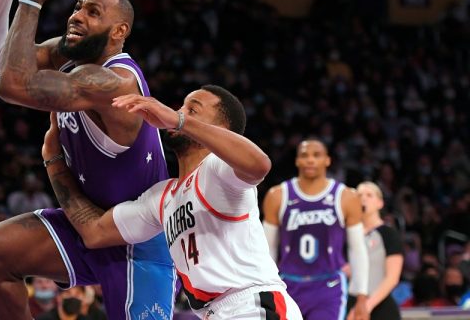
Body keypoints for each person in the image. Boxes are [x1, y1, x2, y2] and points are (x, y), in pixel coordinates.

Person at [0, 0, 175, 319]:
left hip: (139, 242)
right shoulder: (67, 55)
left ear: (119, 32)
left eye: (93, 12)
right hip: (86, 224)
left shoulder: (115, 82)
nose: (77, 15)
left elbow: (13, 85)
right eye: (78, 6)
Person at [41, 86, 303, 319]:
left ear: (220, 130)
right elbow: (94, 232)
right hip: (214, 312)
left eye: (193, 109)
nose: (180, 111)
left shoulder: (218, 170)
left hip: (254, 304)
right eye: (181, 107)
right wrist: (54, 163)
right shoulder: (162, 197)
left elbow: (260, 165)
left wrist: (179, 120)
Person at [262, 139, 370, 320]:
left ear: (327, 160)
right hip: (287, 284)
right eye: (304, 155)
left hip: (328, 286)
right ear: (297, 161)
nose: (310, 160)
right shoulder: (278, 195)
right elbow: (267, 249)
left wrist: (361, 295)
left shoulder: (346, 196)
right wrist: (265, 287)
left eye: (316, 155)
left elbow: (357, 249)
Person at [350, 182, 403, 319]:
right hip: (351, 303)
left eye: (369, 195)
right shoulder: (348, 235)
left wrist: (366, 306)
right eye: (359, 195)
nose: (363, 198)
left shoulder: (388, 233)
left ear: (380, 203)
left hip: (380, 306)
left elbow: (392, 277)